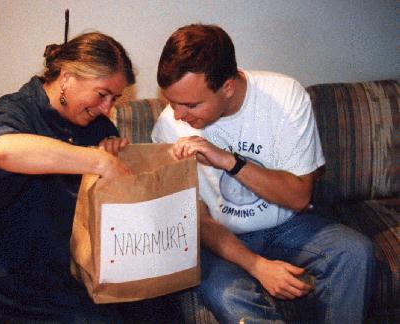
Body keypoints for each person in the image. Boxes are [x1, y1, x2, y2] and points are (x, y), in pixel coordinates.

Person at [151, 24, 375, 323]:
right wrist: (257, 266)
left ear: (227, 87)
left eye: (190, 104)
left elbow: (298, 197)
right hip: (218, 237)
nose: (178, 115)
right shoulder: (169, 126)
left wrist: (231, 162)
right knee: (229, 295)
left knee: (354, 253)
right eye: (171, 102)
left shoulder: (284, 96)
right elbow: (197, 220)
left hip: (287, 225)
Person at [0, 32, 135, 323]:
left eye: (114, 99)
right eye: (102, 94)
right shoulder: (15, 109)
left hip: (68, 270)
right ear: (66, 77)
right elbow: (2, 150)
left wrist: (114, 155)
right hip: (5, 273)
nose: (107, 109)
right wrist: (97, 160)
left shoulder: (97, 126)